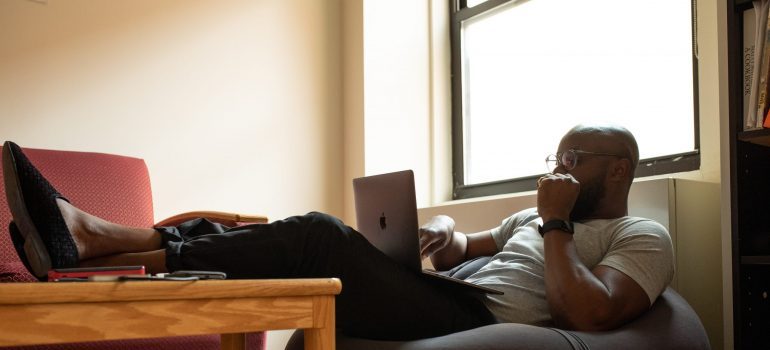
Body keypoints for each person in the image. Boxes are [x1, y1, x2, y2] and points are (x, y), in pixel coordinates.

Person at [2, 123, 673, 341]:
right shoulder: (530, 218)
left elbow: (585, 312)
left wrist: (554, 220)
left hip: (471, 319)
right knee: (270, 238)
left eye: (573, 160)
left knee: (316, 237)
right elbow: (467, 249)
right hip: (448, 292)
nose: (558, 169)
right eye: (556, 157)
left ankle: (95, 239)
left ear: (617, 170)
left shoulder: (641, 237)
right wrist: (440, 232)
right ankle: (96, 241)